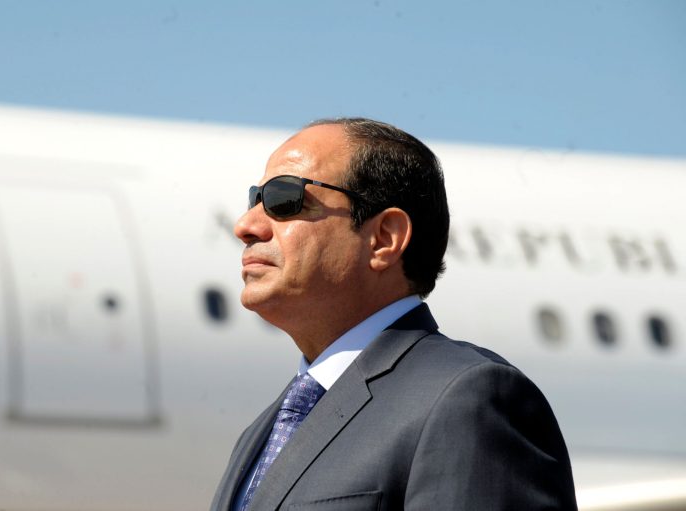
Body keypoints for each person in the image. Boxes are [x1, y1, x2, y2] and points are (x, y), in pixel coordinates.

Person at [211, 118, 577, 511]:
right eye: (255, 200)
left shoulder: (467, 400)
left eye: (284, 198)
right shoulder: (263, 434)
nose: (246, 226)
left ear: (384, 238)